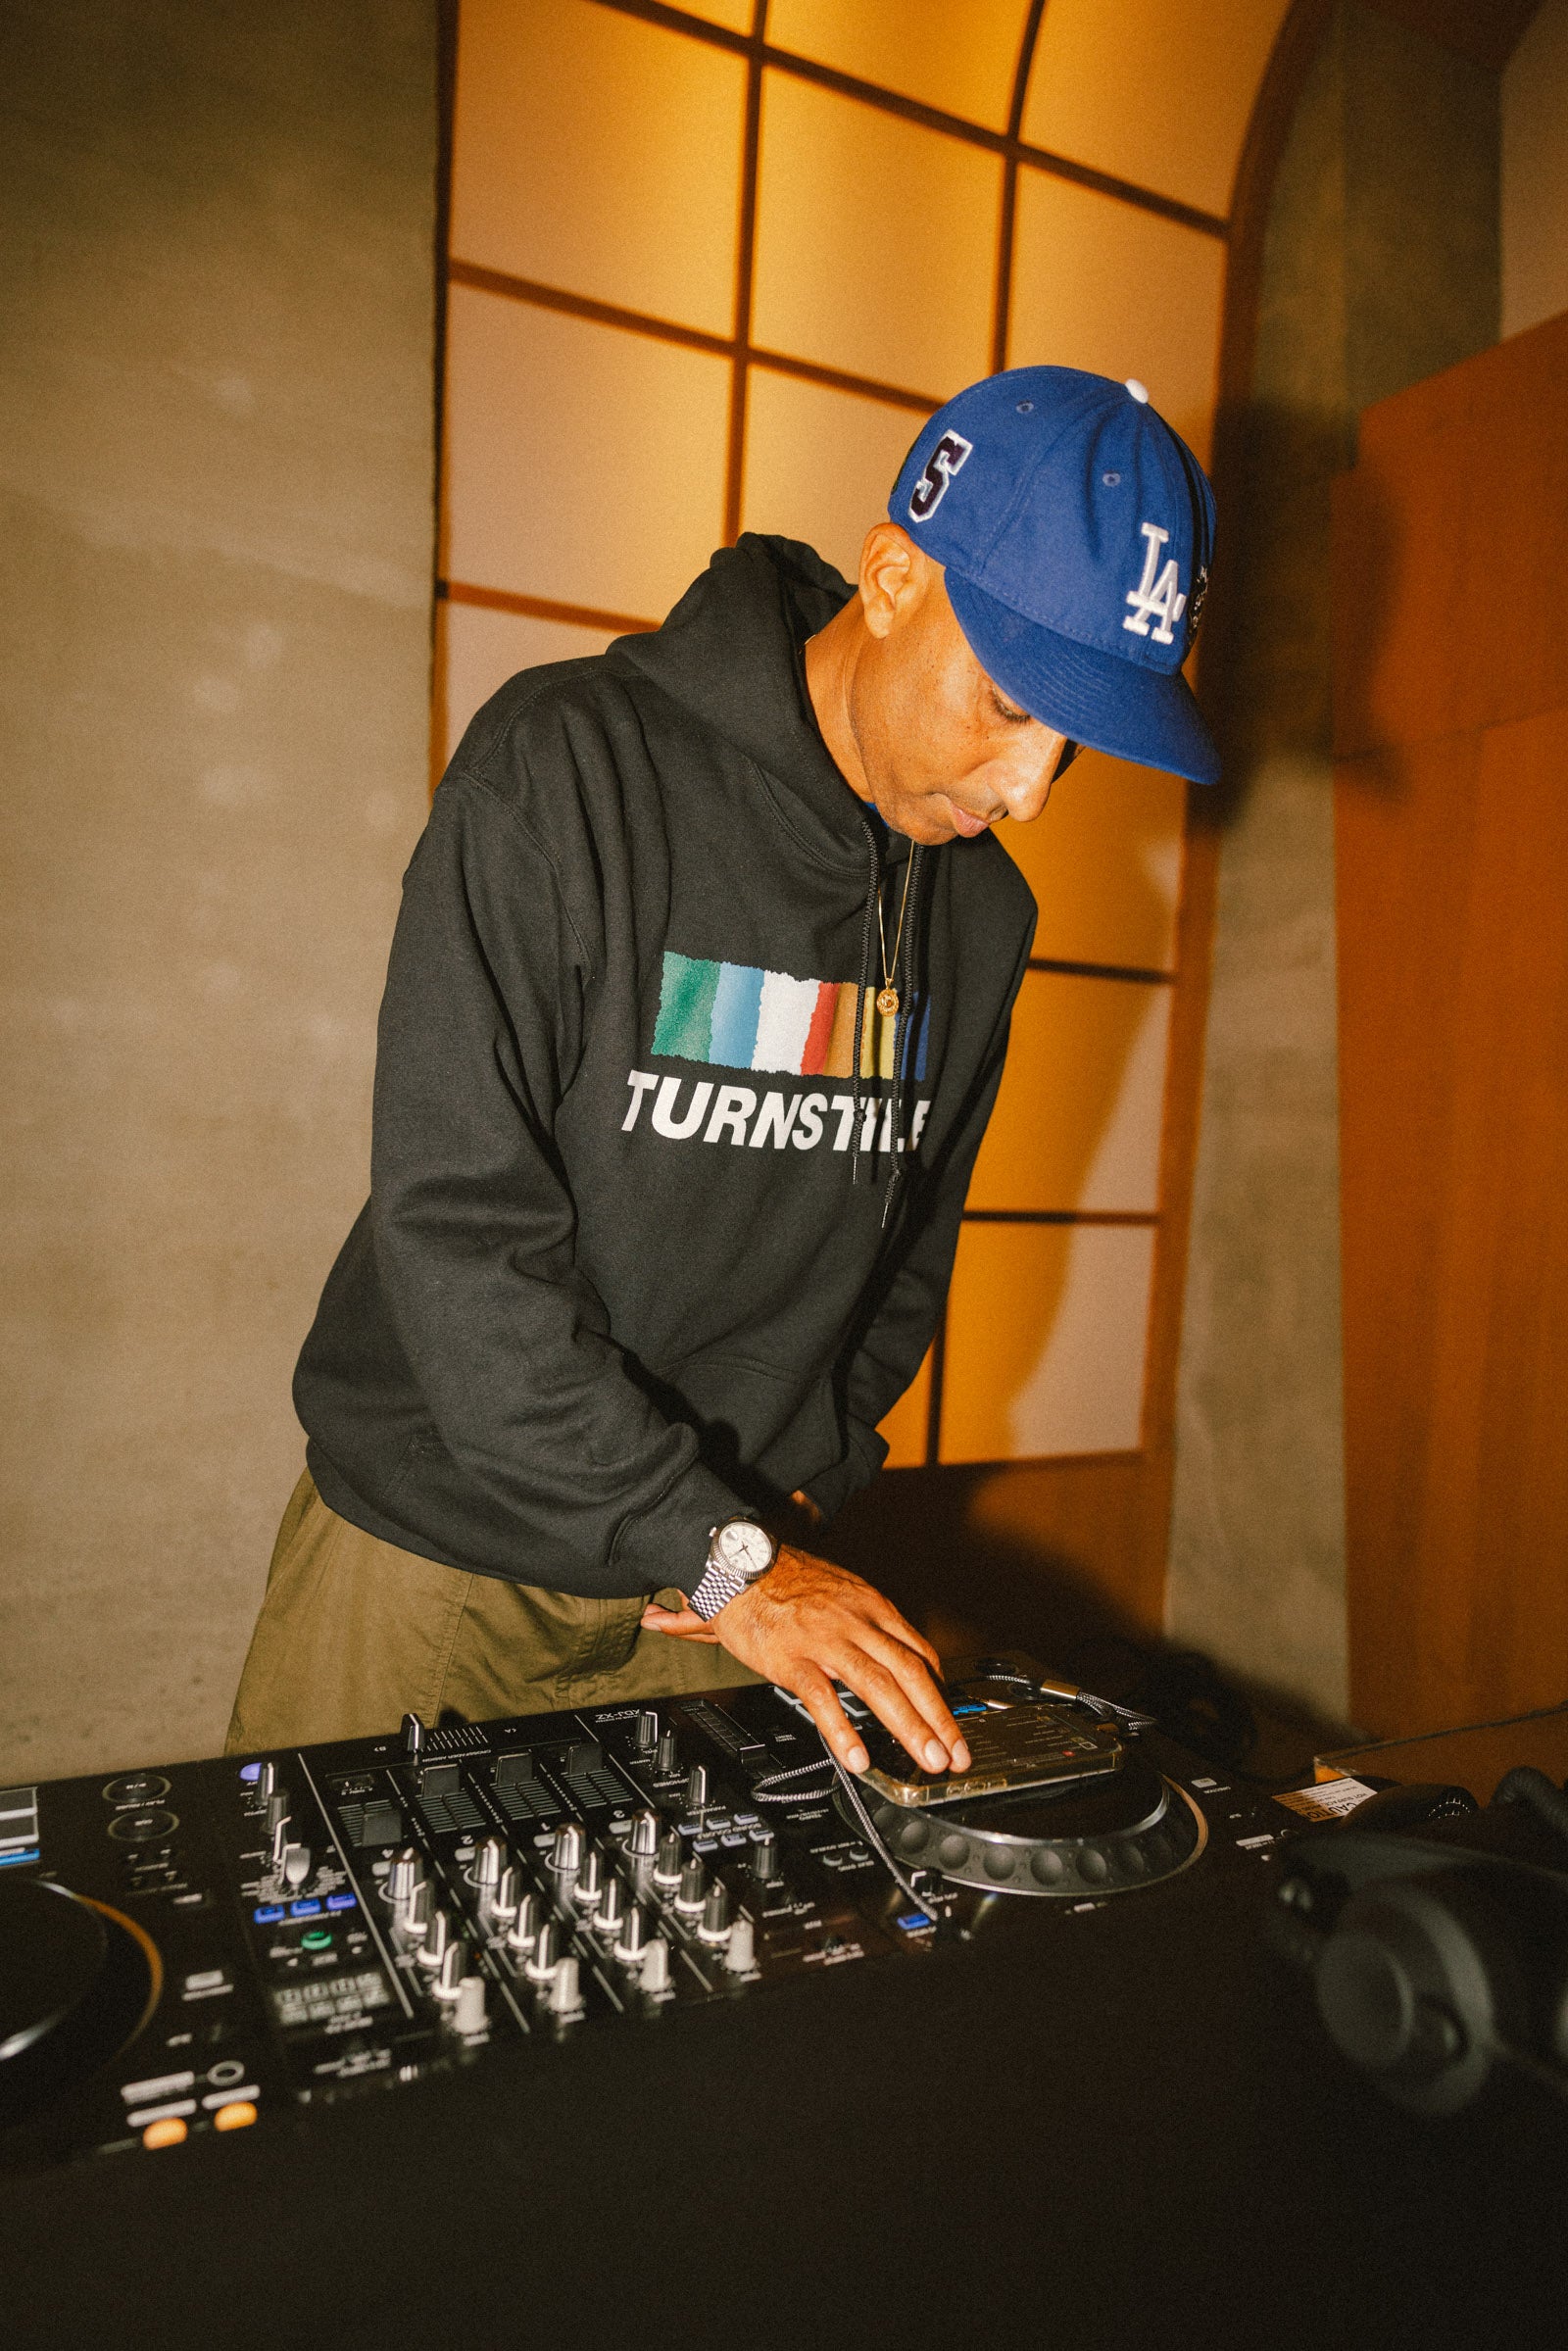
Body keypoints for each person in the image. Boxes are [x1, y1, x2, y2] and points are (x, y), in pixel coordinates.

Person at [225, 365, 1218, 1777]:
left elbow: (909, 1259)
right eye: (1008, 703)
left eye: (1081, 744)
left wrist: (791, 1489)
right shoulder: (567, 766)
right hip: (441, 1552)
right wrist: (716, 1544)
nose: (1028, 791)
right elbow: (455, 1228)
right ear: (893, 578)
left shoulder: (984, 913)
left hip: (719, 1595)